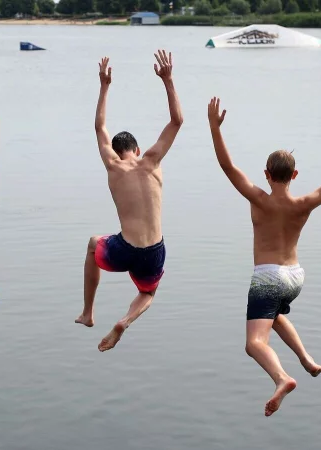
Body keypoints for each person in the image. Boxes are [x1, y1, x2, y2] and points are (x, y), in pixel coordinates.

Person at [207, 97, 321, 417]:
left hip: (268, 276)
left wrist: (214, 128)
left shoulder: (258, 199)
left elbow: (227, 166)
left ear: (267, 174)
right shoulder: (305, 203)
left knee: (253, 343)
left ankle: (282, 378)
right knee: (273, 315)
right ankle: (305, 359)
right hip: (295, 276)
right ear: (295, 174)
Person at [75, 50, 183, 352]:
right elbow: (177, 121)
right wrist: (168, 80)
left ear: (117, 150)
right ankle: (125, 320)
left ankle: (88, 313)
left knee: (94, 242)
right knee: (147, 294)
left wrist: (104, 85)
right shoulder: (152, 160)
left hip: (124, 249)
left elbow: (99, 127)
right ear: (136, 149)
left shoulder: (112, 165)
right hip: (153, 250)